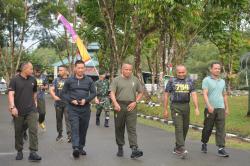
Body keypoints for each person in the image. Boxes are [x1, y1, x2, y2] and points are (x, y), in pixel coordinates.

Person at [62, 60, 96, 158]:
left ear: (84, 68)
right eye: (79, 68)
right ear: (75, 68)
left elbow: (93, 93)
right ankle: (75, 148)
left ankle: (81, 147)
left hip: (85, 109)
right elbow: (64, 93)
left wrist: (86, 100)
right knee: (75, 127)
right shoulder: (69, 80)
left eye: (82, 68)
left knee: (83, 129)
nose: (80, 70)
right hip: (73, 108)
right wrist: (71, 100)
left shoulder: (89, 80)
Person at [8, 62, 42, 161]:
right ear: (24, 69)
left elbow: (34, 91)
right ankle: (19, 151)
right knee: (18, 131)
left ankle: (33, 152)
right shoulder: (14, 80)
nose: (32, 71)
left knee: (33, 130)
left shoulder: (33, 79)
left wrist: (35, 101)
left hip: (31, 110)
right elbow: (10, 94)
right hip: (18, 110)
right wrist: (13, 107)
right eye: (31, 69)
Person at [163, 65, 199, 156]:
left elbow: (194, 94)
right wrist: (165, 109)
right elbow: (166, 95)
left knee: (185, 127)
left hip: (186, 106)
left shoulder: (190, 81)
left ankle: (177, 147)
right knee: (179, 127)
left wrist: (196, 107)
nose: (181, 74)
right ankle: (181, 147)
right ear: (176, 72)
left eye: (183, 72)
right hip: (175, 106)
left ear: (186, 72)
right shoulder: (171, 81)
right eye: (179, 72)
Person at [110, 63, 144, 159]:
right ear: (122, 69)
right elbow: (112, 93)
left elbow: (141, 92)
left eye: (130, 70)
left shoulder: (135, 80)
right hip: (119, 106)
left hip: (131, 106)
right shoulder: (116, 80)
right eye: (126, 69)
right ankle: (120, 146)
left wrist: (135, 102)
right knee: (119, 127)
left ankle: (134, 149)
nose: (128, 71)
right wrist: (115, 103)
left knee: (131, 128)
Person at [201, 62, 229, 157]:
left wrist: (226, 107)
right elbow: (204, 93)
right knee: (207, 128)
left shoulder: (222, 81)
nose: (217, 70)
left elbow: (224, 95)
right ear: (211, 69)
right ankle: (204, 143)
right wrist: (209, 106)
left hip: (220, 108)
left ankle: (221, 148)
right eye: (216, 68)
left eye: (219, 69)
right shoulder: (206, 80)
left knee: (221, 129)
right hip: (210, 108)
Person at [50, 65, 71, 142]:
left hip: (68, 103)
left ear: (66, 71)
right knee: (59, 119)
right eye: (59, 70)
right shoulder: (56, 80)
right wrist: (54, 97)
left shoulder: (70, 80)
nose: (59, 71)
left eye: (61, 70)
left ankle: (69, 136)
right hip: (58, 103)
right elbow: (51, 89)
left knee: (68, 119)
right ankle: (60, 134)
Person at [34, 66, 48, 130]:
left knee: (42, 113)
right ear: (34, 71)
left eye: (38, 72)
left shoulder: (44, 77)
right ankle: (25, 130)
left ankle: (40, 121)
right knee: (30, 114)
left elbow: (47, 86)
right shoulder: (31, 77)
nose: (37, 74)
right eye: (36, 72)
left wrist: (44, 87)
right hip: (31, 98)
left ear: (40, 71)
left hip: (41, 97)